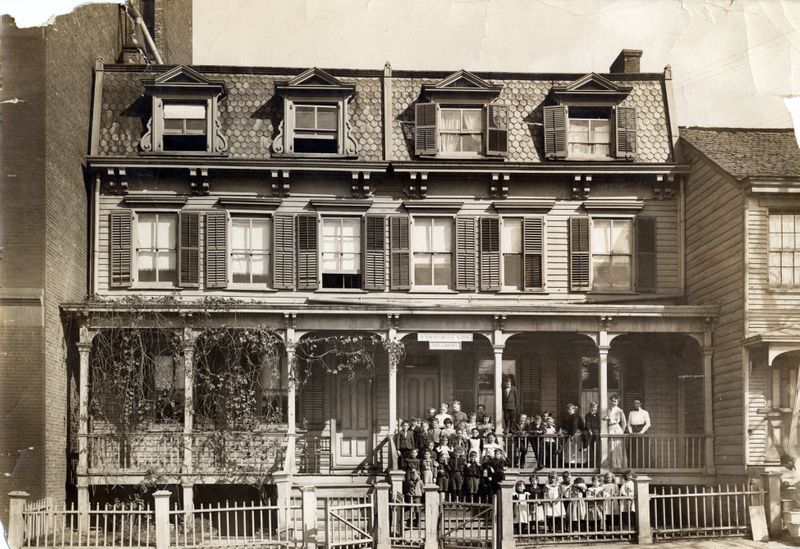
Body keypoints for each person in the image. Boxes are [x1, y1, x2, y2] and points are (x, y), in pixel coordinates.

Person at [626, 400, 651, 468]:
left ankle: (642, 467)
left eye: (637, 403)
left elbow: (648, 424)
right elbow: (628, 424)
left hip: (641, 431)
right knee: (632, 450)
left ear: (640, 404)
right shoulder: (631, 413)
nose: (636, 405)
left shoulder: (645, 412)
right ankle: (632, 466)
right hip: (633, 431)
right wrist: (631, 432)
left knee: (641, 450)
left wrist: (641, 432)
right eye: (634, 403)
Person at [605, 395, 627, 469]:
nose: (614, 403)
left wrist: (622, 432)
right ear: (610, 401)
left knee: (617, 447)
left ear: (618, 402)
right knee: (610, 447)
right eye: (612, 401)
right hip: (610, 428)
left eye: (615, 401)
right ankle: (611, 465)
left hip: (617, 428)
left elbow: (624, 422)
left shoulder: (620, 410)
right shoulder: (608, 410)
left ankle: (619, 465)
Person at [583, 402, 601, 468]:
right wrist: (589, 430)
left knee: (597, 449)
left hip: (596, 431)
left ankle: (597, 465)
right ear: (590, 407)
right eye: (592, 407)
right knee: (591, 450)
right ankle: (590, 465)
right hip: (590, 431)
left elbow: (600, 424)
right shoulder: (588, 415)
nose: (593, 408)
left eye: (595, 407)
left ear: (596, 408)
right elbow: (587, 423)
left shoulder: (598, 415)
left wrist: (599, 431)